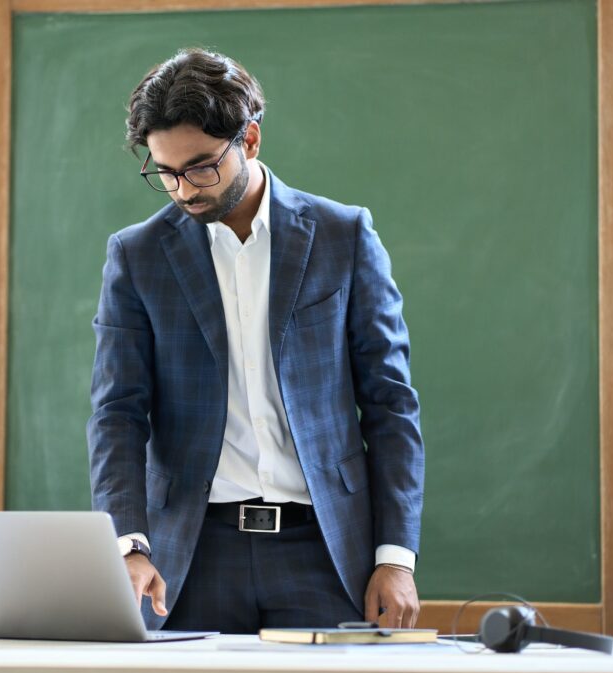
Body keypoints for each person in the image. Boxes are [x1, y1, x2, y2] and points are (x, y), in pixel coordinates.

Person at [87, 48, 424, 634]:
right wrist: (128, 544)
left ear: (250, 140)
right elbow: (117, 412)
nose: (182, 190)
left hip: (325, 549)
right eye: (163, 172)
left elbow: (391, 403)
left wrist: (395, 557)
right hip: (191, 554)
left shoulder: (343, 236)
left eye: (199, 167)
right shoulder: (137, 256)